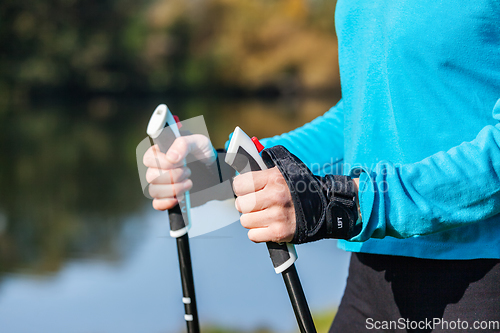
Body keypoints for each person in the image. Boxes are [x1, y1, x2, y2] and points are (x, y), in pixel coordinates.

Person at [143, 0, 500, 331]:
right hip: (371, 273)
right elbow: (363, 116)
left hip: (481, 278)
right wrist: (225, 167)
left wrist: (347, 203)